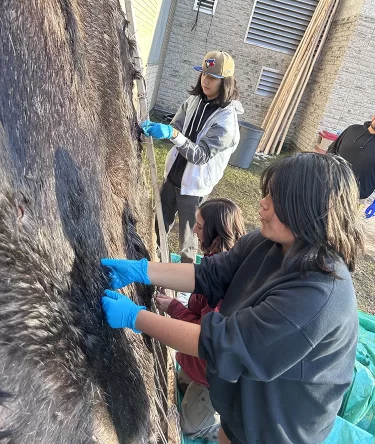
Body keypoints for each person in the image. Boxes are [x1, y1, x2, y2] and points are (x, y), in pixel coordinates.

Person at [101, 152, 363, 444]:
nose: (262, 202)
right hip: (241, 405)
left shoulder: (319, 296)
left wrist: (134, 317)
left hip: (277, 428)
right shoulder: (267, 242)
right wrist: (142, 271)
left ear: (306, 209)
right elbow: (210, 274)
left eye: (274, 198)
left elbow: (220, 344)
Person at [155, 198, 245, 442]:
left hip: (212, 375)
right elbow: (197, 307)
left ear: (216, 232)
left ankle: (217, 428)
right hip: (199, 365)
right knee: (181, 381)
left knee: (186, 426)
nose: (194, 230)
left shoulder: (227, 286)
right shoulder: (213, 261)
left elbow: (201, 334)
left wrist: (174, 307)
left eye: (200, 226)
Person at [142, 50, 244, 263]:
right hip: (172, 177)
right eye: (203, 74)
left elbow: (200, 156)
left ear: (225, 82)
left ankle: (183, 289)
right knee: (158, 227)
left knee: (188, 240)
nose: (205, 81)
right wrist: (164, 130)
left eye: (213, 78)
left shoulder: (227, 123)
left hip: (194, 188)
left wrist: (174, 135)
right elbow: (177, 125)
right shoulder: (194, 101)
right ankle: (153, 267)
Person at [328, 115, 375, 217]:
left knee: (341, 228)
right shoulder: (352, 129)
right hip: (330, 186)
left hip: (356, 198)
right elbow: (332, 149)